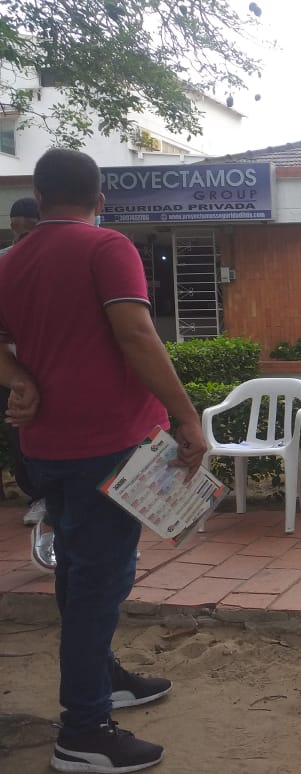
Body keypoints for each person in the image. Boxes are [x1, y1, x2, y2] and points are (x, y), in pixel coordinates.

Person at [0, 148, 207, 773]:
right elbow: (137, 335)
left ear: (38, 197)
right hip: (109, 448)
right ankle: (83, 730)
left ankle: (105, 676)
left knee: (76, 572)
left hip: (45, 449)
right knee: (101, 579)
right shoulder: (106, 248)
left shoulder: (9, 260)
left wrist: (17, 380)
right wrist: (186, 414)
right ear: (100, 199)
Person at [0, 197, 45, 525]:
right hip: (8, 369)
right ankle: (38, 496)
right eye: (14, 227)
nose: (19, 235)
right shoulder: (4, 262)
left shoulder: (53, 262)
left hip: (48, 365)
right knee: (18, 433)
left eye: (26, 228)